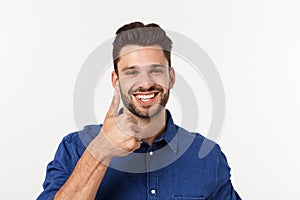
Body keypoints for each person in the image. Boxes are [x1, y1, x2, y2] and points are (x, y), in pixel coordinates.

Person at [37, 22, 241, 200]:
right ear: (116, 81)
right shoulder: (74, 149)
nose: (145, 83)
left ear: (171, 78)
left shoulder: (207, 156)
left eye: (156, 70)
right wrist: (100, 151)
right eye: (132, 72)